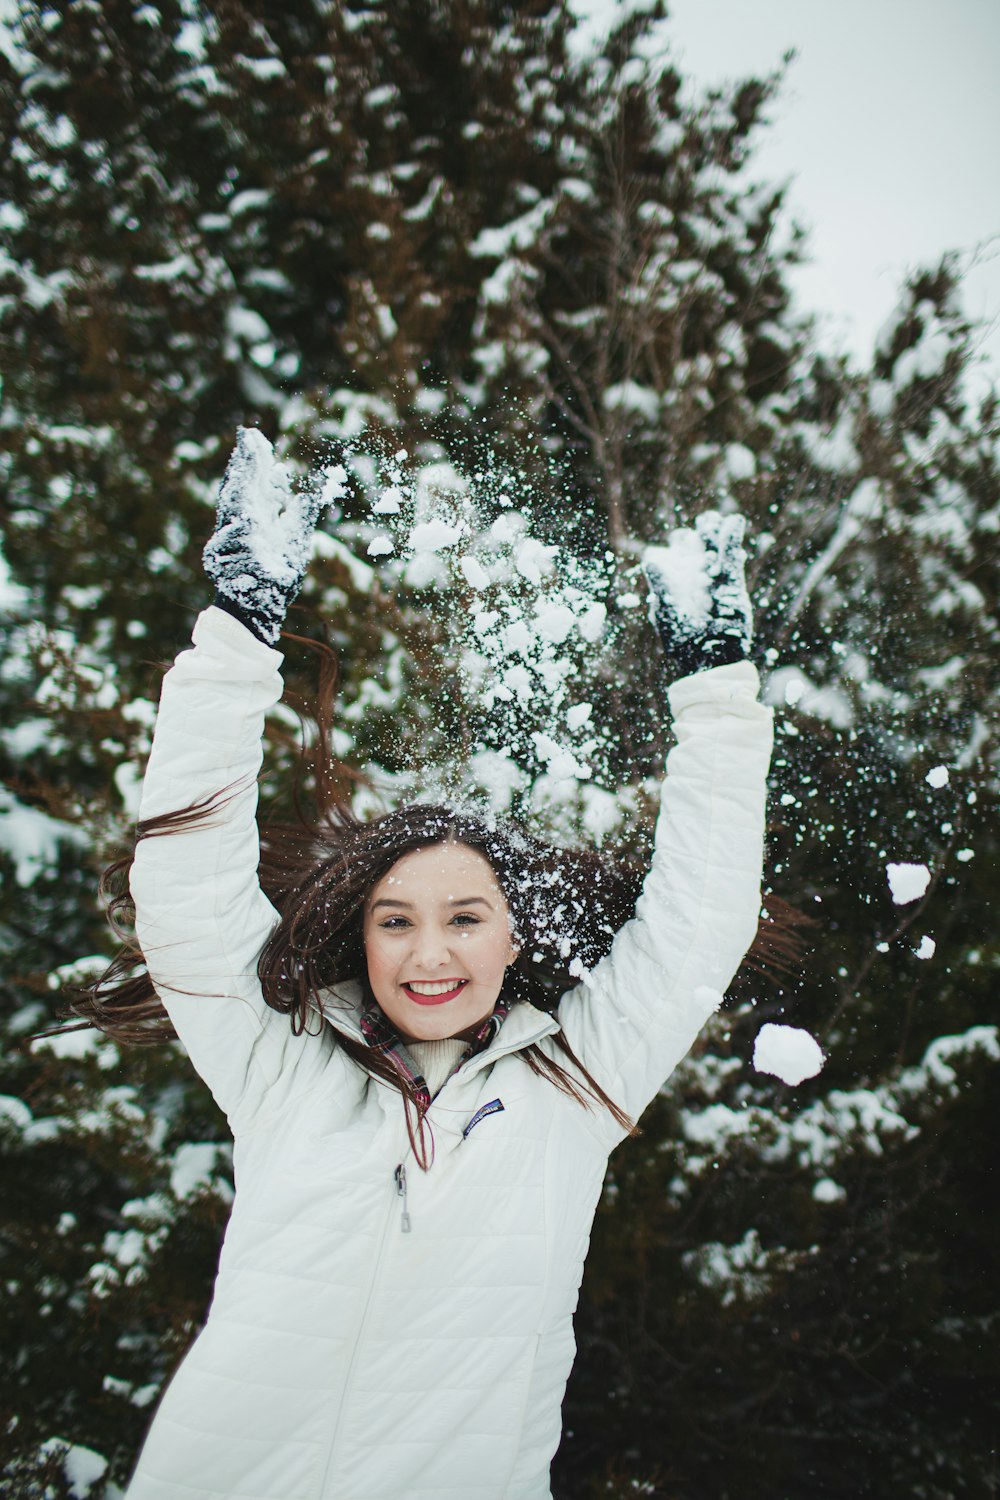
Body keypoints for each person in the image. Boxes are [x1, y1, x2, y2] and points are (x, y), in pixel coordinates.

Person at [86, 429, 773, 1500]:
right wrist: (236, 636)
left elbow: (699, 916)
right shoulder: (284, 1072)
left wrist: (716, 693)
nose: (430, 950)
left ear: (514, 936)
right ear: (360, 941)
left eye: (464, 917)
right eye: (394, 921)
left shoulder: (576, 1089)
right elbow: (184, 889)